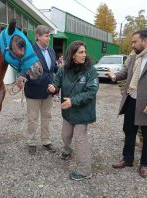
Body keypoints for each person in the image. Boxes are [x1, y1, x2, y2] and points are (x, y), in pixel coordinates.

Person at [107, 29, 147, 178]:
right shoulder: (135, 56)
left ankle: (144, 164)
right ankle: (127, 159)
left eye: (134, 41)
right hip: (131, 99)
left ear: (144, 41)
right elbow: (126, 73)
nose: (132, 45)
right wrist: (115, 76)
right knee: (128, 130)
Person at [48, 41, 99, 181]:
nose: (84, 55)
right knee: (65, 135)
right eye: (80, 52)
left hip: (82, 112)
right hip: (68, 112)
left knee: (80, 139)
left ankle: (85, 170)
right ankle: (67, 149)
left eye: (84, 52)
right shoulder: (64, 69)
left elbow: (91, 91)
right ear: (72, 55)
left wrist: (72, 101)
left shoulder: (91, 71)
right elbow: (57, 81)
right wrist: (53, 87)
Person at [21, 25, 57, 155]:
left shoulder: (51, 51)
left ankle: (46, 141)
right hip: (33, 90)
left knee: (47, 117)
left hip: (48, 90)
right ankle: (31, 142)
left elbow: (54, 70)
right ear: (38, 36)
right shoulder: (30, 51)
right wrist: (21, 77)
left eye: (49, 36)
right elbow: (23, 67)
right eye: (47, 36)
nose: (49, 38)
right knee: (32, 118)